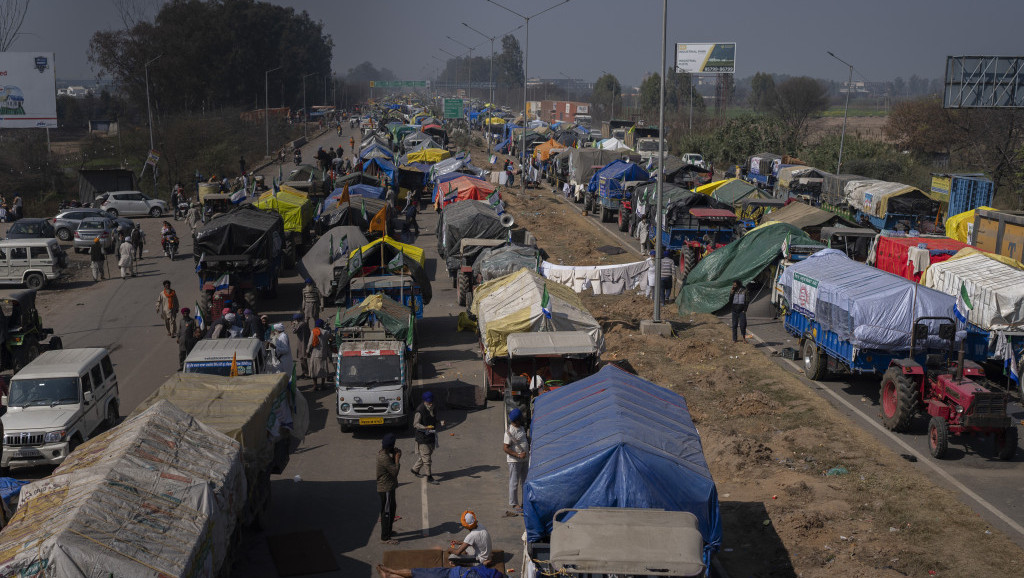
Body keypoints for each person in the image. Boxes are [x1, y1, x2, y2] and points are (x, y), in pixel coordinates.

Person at [410, 391, 442, 483]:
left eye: (431, 401)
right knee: (427, 459)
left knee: (425, 456)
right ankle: (429, 477)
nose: (430, 403)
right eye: (429, 402)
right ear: (424, 401)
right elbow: (415, 424)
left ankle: (414, 469)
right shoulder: (420, 410)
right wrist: (425, 427)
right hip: (422, 437)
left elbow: (434, 419)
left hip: (431, 434)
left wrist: (439, 422)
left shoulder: (433, 408)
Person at [503, 408, 529, 517]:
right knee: (514, 482)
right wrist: (518, 455)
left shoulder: (521, 428)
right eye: (520, 419)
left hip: (524, 460)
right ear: (516, 420)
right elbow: (505, 448)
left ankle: (525, 502)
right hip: (515, 461)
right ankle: (514, 504)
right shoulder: (509, 432)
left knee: (525, 481)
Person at [377, 432, 401, 545]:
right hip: (385, 488)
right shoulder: (384, 458)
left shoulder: (384, 453)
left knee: (391, 509)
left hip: (389, 487)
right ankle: (385, 537)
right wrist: (397, 459)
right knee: (386, 512)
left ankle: (388, 531)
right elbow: (394, 472)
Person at [307, 318, 331, 390]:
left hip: (314, 353)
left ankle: (315, 385)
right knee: (323, 369)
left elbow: (310, 343)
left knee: (314, 370)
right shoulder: (326, 332)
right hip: (323, 353)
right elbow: (331, 338)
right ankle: (323, 385)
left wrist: (308, 351)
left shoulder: (313, 331)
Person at [376, 565, 504, 578]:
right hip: (449, 573)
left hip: (449, 573)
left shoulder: (492, 573)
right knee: (417, 573)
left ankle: (390, 573)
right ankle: (390, 572)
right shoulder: (492, 574)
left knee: (417, 573)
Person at [291, 312, 311, 378]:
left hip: (303, 343)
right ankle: (304, 372)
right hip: (303, 342)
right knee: (302, 358)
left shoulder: (301, 324)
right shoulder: (304, 324)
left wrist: (293, 325)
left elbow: (294, 331)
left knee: (303, 358)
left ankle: (306, 373)